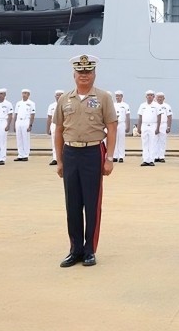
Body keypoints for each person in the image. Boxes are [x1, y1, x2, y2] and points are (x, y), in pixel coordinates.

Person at [54, 54, 117, 268]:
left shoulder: (103, 97)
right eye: (80, 72)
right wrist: (59, 160)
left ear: (94, 74)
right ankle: (75, 250)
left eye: (88, 72)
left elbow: (112, 127)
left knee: (92, 203)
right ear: (74, 75)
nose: (84, 75)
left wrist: (109, 158)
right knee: (72, 204)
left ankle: (90, 250)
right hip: (71, 153)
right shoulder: (65, 99)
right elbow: (59, 130)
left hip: (93, 153)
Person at [136, 90, 160, 167]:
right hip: (144, 125)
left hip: (153, 125)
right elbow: (140, 117)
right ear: (146, 96)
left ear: (153, 97)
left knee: (152, 143)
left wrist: (158, 128)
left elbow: (159, 117)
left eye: (151, 95)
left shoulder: (156, 105)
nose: (149, 96)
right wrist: (138, 128)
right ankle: (145, 160)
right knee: (145, 143)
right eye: (148, 95)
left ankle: (151, 160)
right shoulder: (142, 105)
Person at [13, 89, 36, 161]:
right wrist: (14, 124)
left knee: (25, 138)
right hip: (18, 121)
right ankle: (20, 155)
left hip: (26, 121)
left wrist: (30, 124)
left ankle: (25, 155)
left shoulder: (31, 103)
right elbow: (16, 114)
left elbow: (32, 114)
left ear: (28, 95)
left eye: (25, 93)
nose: (24, 94)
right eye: (23, 93)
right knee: (19, 139)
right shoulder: (18, 103)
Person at [46, 90, 65, 166]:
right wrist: (48, 129)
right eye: (57, 95)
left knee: (64, 143)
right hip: (54, 125)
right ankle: (55, 158)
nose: (58, 96)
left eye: (60, 95)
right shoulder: (51, 106)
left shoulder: (66, 104)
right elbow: (49, 117)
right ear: (55, 96)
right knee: (54, 142)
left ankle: (63, 158)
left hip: (64, 125)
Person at [111, 91, 129, 163]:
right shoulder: (113, 105)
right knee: (114, 140)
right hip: (114, 123)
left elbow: (127, 116)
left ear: (122, 96)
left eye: (119, 96)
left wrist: (128, 126)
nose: (118, 97)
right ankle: (115, 156)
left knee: (121, 140)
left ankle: (121, 156)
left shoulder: (125, 105)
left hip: (121, 123)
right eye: (116, 96)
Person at [155, 92, 172, 164]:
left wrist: (168, 126)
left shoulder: (167, 106)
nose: (159, 98)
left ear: (164, 98)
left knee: (162, 141)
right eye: (158, 97)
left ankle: (161, 156)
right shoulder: (154, 105)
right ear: (156, 98)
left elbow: (169, 117)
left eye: (161, 97)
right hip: (155, 124)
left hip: (163, 124)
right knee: (155, 141)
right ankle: (155, 156)